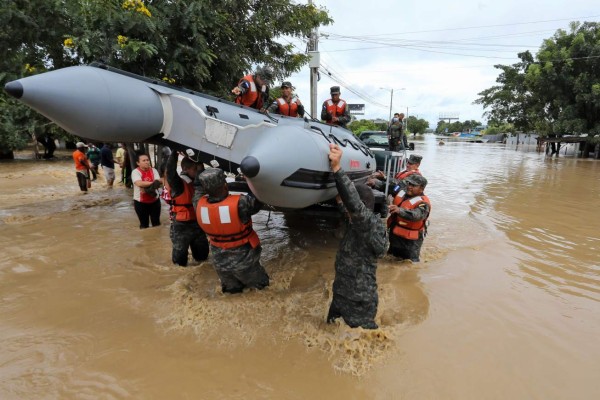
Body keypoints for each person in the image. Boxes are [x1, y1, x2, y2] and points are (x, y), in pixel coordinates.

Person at [326, 143, 387, 330]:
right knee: (330, 329)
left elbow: (354, 205)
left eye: (350, 207)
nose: (348, 211)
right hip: (341, 292)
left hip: (359, 298)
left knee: (362, 338)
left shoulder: (369, 224)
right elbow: (348, 209)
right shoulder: (357, 221)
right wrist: (337, 199)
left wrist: (337, 169)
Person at [193, 168, 269, 294]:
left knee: (232, 295)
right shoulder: (241, 203)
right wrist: (250, 179)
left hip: (221, 266)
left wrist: (199, 171)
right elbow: (260, 197)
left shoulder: (198, 204)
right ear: (225, 185)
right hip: (245, 264)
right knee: (265, 291)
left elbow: (197, 189)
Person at [165, 150, 209, 267]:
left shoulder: (200, 181)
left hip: (198, 223)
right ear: (185, 169)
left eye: (200, 168)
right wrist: (174, 153)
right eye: (196, 169)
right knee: (180, 263)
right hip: (181, 225)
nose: (199, 171)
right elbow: (170, 172)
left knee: (203, 258)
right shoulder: (178, 183)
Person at [387, 174, 431, 262]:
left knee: (410, 263)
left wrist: (399, 210)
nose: (409, 187)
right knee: (390, 258)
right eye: (409, 183)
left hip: (411, 241)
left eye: (413, 185)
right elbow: (392, 188)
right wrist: (376, 183)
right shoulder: (402, 191)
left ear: (421, 189)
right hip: (395, 234)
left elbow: (417, 215)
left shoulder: (423, 203)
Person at [131, 153, 162, 229]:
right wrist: (152, 183)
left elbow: (158, 183)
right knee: (144, 225)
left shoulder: (154, 170)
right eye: (144, 160)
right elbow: (138, 183)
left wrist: (145, 186)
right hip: (140, 202)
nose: (147, 162)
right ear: (138, 163)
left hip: (155, 201)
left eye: (147, 160)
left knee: (157, 224)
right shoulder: (135, 172)